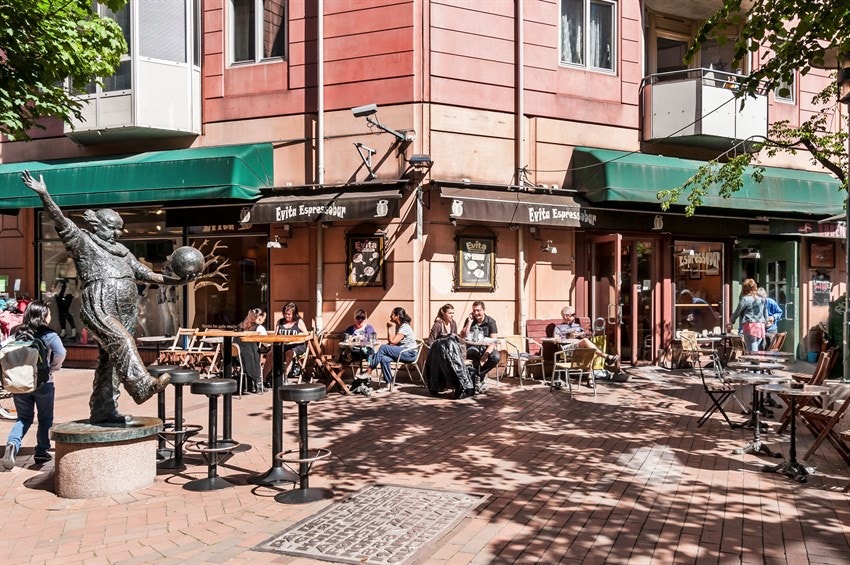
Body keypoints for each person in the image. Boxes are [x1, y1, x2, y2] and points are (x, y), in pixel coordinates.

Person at [22, 171, 189, 425]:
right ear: (99, 226)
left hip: (124, 310)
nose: (118, 234)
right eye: (113, 229)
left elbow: (146, 274)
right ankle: (141, 385)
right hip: (99, 306)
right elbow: (61, 221)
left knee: (109, 364)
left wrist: (175, 281)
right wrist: (45, 196)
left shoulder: (122, 251)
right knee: (121, 340)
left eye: (119, 230)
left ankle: (103, 410)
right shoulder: (83, 242)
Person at [3, 301, 66, 469]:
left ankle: (12, 444)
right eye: (48, 313)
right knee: (45, 418)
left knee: (24, 418)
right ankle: (41, 451)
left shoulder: (17, 332)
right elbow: (61, 353)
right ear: (43, 315)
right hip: (43, 383)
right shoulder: (49, 334)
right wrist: (51, 369)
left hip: (20, 383)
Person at [359, 307, 417, 393]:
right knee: (384, 358)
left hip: (410, 354)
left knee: (383, 347)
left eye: (392, 314)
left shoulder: (404, 327)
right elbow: (394, 343)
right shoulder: (399, 326)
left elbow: (393, 342)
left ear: (397, 316)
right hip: (403, 352)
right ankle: (388, 385)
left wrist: (388, 328)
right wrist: (389, 345)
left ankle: (369, 370)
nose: (390, 315)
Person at [553, 306, 619, 365]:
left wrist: (580, 335)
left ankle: (590, 373)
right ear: (565, 316)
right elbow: (556, 340)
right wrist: (568, 337)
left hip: (579, 347)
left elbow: (585, 336)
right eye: (572, 315)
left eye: (574, 315)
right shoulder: (559, 328)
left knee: (588, 346)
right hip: (566, 350)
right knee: (585, 342)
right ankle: (606, 357)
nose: (574, 316)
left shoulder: (577, 326)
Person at [266, 302, 309, 385]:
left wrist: (296, 338)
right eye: (285, 314)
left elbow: (306, 334)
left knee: (289, 354)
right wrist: (272, 348)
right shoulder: (280, 322)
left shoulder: (298, 322)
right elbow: (275, 336)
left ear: (294, 314)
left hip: (297, 345)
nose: (287, 316)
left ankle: (283, 376)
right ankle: (264, 379)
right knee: (270, 355)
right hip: (282, 345)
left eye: (289, 314)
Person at [459, 300, 500, 384]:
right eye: (474, 310)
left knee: (496, 357)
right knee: (473, 354)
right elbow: (462, 336)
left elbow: (493, 341)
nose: (476, 313)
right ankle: (475, 377)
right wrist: (469, 323)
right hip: (472, 347)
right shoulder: (469, 320)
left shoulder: (491, 322)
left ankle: (479, 374)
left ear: (483, 310)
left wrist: (486, 354)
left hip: (486, 348)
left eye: (478, 310)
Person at [234, 307, 267, 393]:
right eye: (264, 318)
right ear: (259, 317)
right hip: (248, 357)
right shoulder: (259, 328)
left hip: (235, 357)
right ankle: (258, 384)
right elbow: (267, 343)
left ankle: (249, 384)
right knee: (262, 354)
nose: (264, 321)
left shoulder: (240, 326)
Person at [728, 278, 766, 352]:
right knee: (755, 348)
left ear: (745, 288)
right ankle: (754, 361)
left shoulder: (745, 299)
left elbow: (737, 312)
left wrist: (731, 321)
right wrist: (766, 321)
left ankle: (753, 362)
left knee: (752, 351)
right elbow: (765, 312)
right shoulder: (761, 299)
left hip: (750, 326)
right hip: (760, 325)